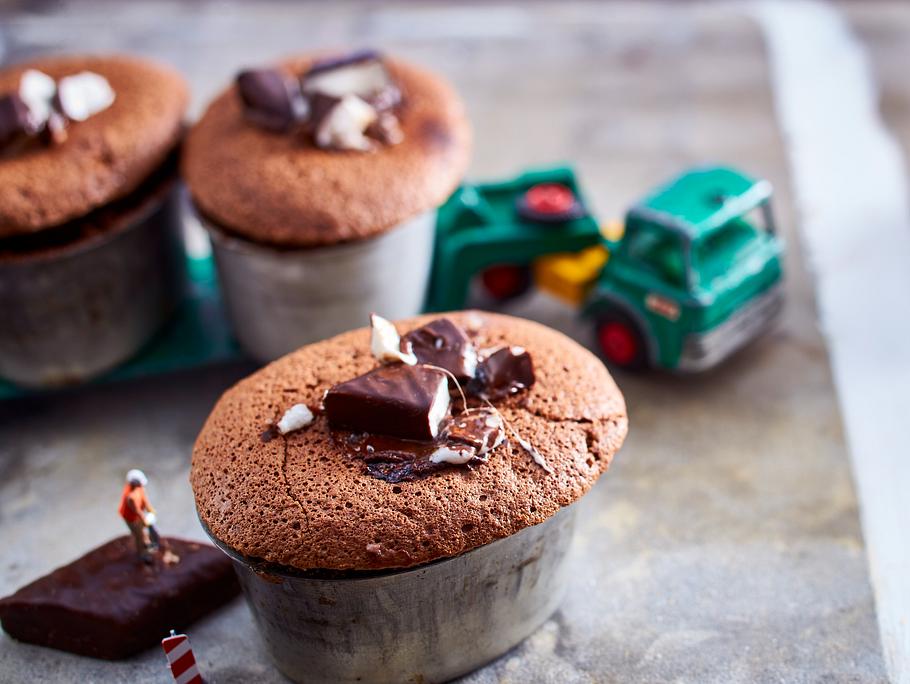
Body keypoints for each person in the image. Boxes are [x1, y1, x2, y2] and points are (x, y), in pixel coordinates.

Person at [118, 469, 157, 562]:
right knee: (138, 535)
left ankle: (146, 541)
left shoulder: (140, 488)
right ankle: (142, 554)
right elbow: (137, 511)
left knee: (142, 529)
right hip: (130, 518)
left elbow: (144, 499)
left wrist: (150, 509)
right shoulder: (130, 497)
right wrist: (144, 520)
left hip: (137, 515)